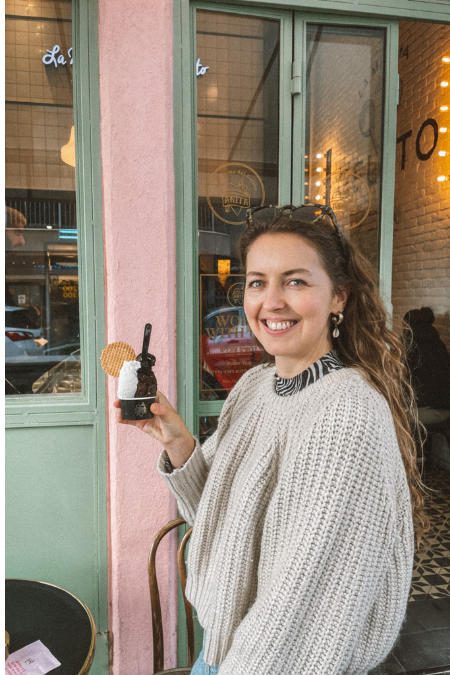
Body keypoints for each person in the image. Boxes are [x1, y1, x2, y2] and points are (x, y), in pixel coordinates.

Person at [119, 205, 424, 674]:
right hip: (224, 648)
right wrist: (179, 444)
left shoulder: (347, 414)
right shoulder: (257, 386)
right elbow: (223, 523)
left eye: (296, 281)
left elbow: (298, 610)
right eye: (258, 282)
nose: (271, 301)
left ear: (339, 296)